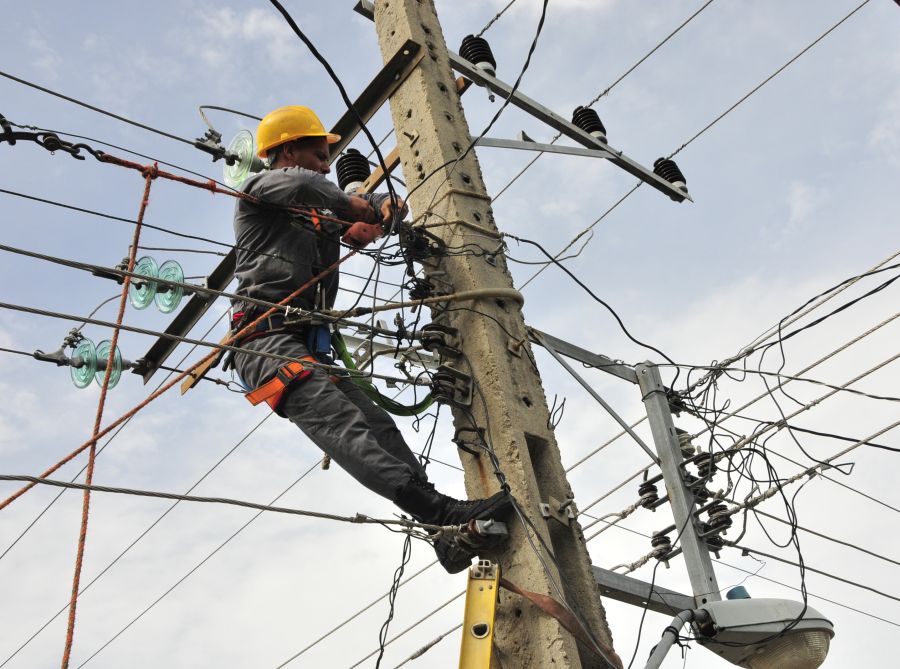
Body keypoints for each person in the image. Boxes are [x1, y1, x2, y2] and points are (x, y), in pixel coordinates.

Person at [229, 106, 510, 571]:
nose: (325, 165)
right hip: (264, 342)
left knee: (378, 427)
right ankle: (441, 513)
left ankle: (442, 533)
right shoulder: (259, 191)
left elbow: (358, 227)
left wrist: (385, 208)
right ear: (286, 150)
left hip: (306, 342)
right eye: (319, 155)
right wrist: (355, 201)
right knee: (346, 427)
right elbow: (308, 187)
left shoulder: (316, 211)